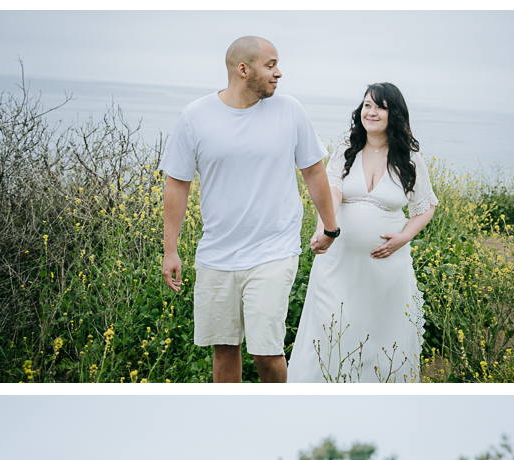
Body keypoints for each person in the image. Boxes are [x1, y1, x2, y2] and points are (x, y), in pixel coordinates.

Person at [161, 36, 340, 384]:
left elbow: (314, 171)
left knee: (267, 351)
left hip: (274, 251)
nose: (279, 73)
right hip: (217, 254)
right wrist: (171, 250)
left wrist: (330, 228)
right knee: (224, 349)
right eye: (270, 65)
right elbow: (177, 185)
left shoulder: (290, 111)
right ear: (243, 70)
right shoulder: (194, 117)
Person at [288, 83, 438, 384]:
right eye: (367, 105)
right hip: (337, 260)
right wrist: (324, 230)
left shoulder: (409, 158)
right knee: (329, 328)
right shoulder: (347, 149)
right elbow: (332, 193)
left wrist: (404, 237)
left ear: (393, 113)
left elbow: (425, 207)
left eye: (380, 106)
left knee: (380, 334)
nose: (371, 112)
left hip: (385, 267)